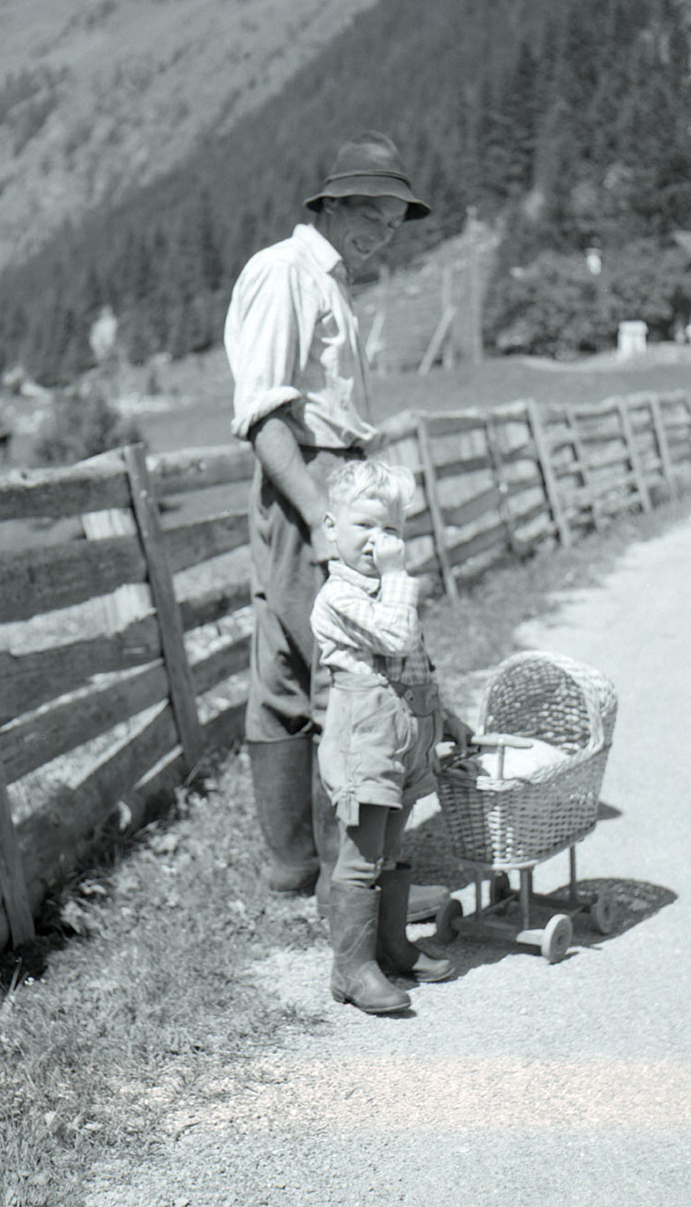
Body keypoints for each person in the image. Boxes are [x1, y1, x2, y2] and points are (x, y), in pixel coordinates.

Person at [223, 131, 445, 920]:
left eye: (392, 225)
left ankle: (296, 872)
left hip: (328, 474)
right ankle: (340, 884)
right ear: (331, 203)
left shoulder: (328, 281)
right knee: (346, 676)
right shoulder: (284, 272)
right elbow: (264, 412)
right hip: (304, 480)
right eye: (372, 218)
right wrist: (320, 516)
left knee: (288, 668)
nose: (381, 237)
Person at [311, 459, 470, 1014]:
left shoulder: (388, 589)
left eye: (392, 531)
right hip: (365, 738)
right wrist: (400, 575)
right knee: (360, 858)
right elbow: (397, 636)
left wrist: (446, 716)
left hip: (405, 735)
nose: (379, 543)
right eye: (364, 527)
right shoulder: (339, 597)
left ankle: (393, 946)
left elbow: (416, 664)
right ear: (332, 528)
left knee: (391, 848)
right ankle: (351, 970)